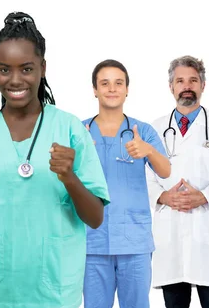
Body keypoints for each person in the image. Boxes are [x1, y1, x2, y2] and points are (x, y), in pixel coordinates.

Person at [0, 11, 110, 308]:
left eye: (26, 69)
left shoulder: (69, 129)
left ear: (42, 68)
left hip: (53, 289)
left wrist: (70, 178)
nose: (15, 80)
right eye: (4, 70)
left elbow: (95, 218)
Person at [145, 55, 209, 308]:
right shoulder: (155, 129)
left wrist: (204, 196)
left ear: (203, 85)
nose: (186, 86)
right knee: (174, 303)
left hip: (208, 231)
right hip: (171, 232)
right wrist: (164, 196)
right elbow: (142, 175)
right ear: (171, 87)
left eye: (193, 80)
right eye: (180, 81)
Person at [82, 59, 170, 308]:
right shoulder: (80, 132)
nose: (112, 88)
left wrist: (149, 150)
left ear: (127, 89)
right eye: (105, 83)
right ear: (95, 90)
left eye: (118, 83)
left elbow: (165, 172)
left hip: (134, 240)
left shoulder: (142, 131)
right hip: (92, 242)